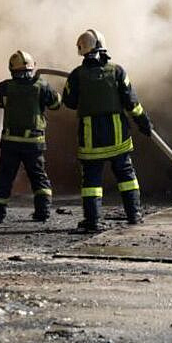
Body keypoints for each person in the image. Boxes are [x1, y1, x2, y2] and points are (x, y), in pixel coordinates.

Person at [62, 29, 153, 232]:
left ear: (82, 50)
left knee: (91, 181)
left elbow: (69, 102)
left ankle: (92, 221)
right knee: (126, 176)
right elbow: (132, 103)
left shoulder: (76, 75)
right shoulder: (117, 71)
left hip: (91, 139)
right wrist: (144, 123)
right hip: (117, 136)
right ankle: (134, 215)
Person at [0, 50, 62, 224]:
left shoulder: (5, 87)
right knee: (38, 178)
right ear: (31, 67)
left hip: (10, 142)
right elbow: (56, 104)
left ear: (11, 69)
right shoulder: (41, 86)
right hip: (33, 143)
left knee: (4, 179)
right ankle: (42, 212)